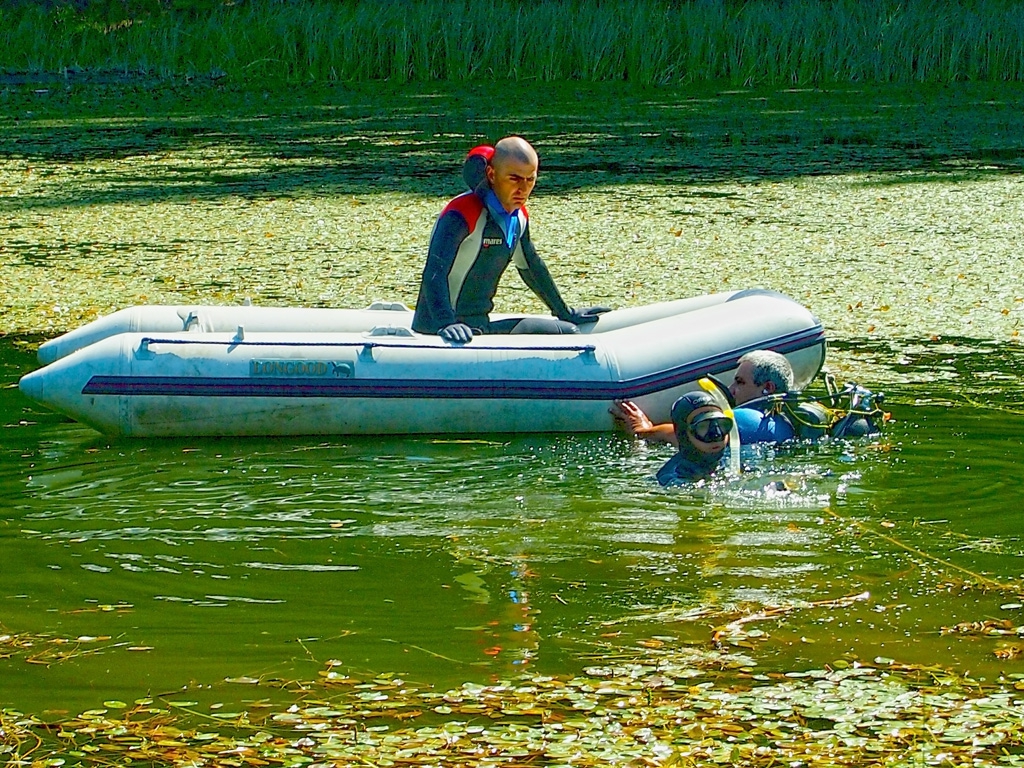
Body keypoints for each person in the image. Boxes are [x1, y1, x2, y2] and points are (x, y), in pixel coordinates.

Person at [412, 137, 609, 344]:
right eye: (514, 179)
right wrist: (446, 323)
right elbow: (434, 271)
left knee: (567, 332)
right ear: (492, 175)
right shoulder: (462, 213)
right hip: (438, 332)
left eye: (530, 180)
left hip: (480, 327)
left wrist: (565, 312)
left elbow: (531, 267)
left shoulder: (519, 217)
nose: (523, 189)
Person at [611, 350, 797, 447]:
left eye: (740, 382)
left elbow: (683, 435)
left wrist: (643, 429)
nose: (731, 390)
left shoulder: (746, 418)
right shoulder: (786, 423)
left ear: (767, 388)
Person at [654, 392, 732, 486]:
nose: (716, 435)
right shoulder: (670, 480)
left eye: (721, 424)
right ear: (683, 434)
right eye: (703, 427)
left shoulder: (734, 458)